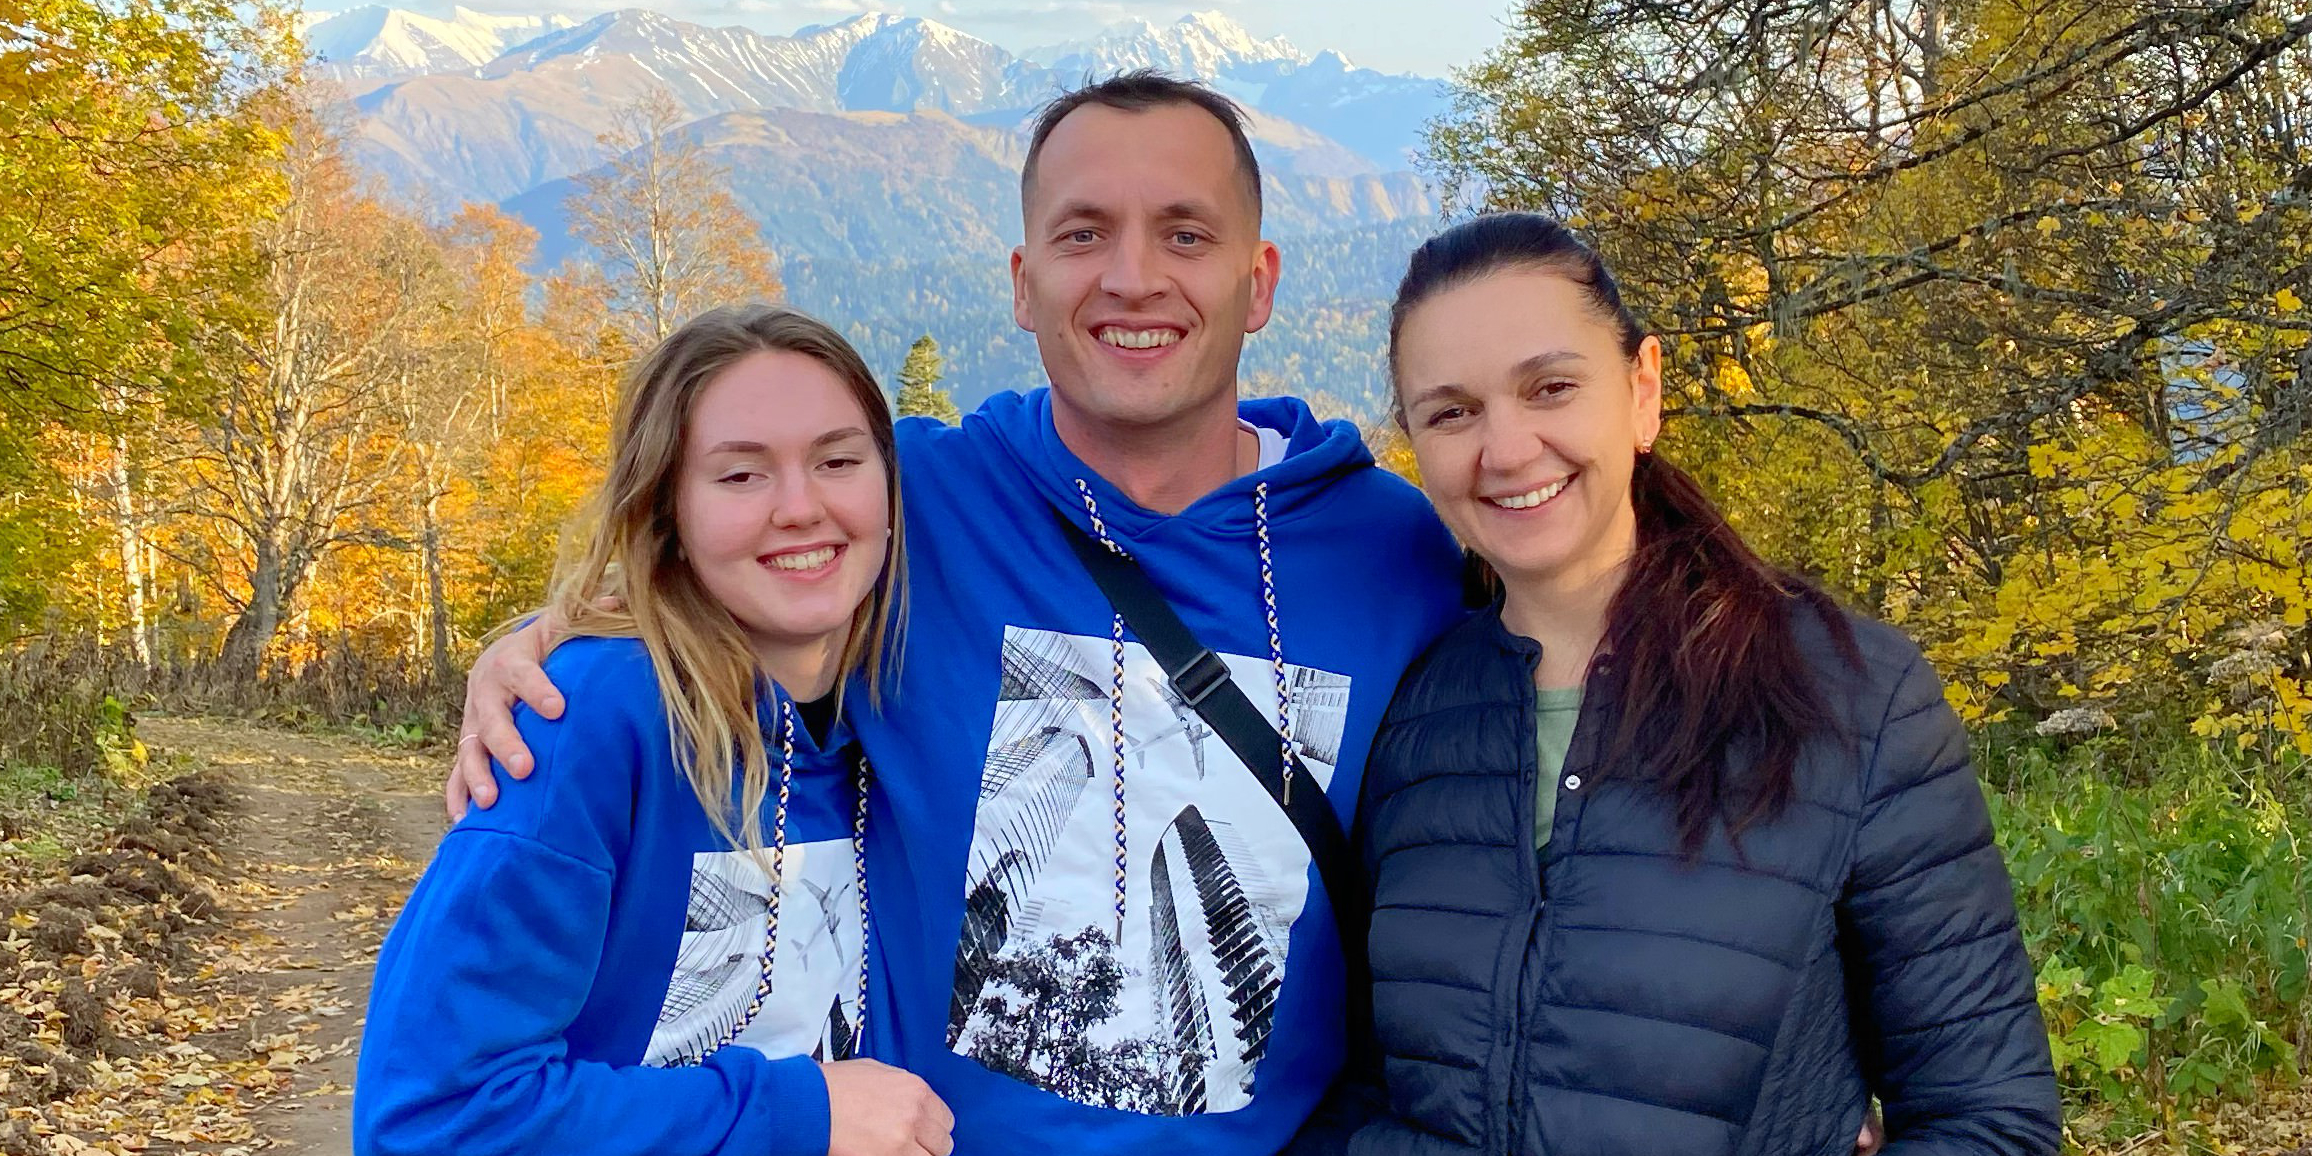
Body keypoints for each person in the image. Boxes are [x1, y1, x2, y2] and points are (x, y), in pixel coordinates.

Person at [445, 74, 1469, 1156]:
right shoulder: (912, 501)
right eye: (1083, 234)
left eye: (1184, 233)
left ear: (1256, 282)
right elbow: (719, 561)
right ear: (1024, 284)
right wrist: (537, 644)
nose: (1132, 278)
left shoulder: (1393, 552)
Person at [1293, 212, 2061, 1155]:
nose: (1507, 449)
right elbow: (1364, 1083)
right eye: (1452, 412)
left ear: (1642, 391)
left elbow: (1990, 1119)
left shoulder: (1850, 699)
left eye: (1551, 388)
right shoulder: (1412, 722)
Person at [354, 305, 954, 1156]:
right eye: (740, 475)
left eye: (838, 461)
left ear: (890, 492)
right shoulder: (587, 720)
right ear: (669, 510)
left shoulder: (906, 705)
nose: (800, 507)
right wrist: (798, 1116)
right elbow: (433, 1116)